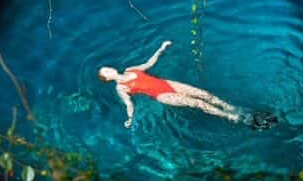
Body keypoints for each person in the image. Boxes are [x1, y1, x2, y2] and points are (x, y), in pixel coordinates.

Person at [98, 41, 277, 130]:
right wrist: (130, 118)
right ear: (107, 78)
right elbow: (129, 104)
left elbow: (148, 64)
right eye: (106, 71)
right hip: (163, 96)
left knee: (205, 94)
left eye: (107, 68)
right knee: (199, 104)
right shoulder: (120, 88)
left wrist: (161, 48)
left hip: (167, 84)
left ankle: (237, 109)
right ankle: (236, 118)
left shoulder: (131, 69)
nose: (109, 69)